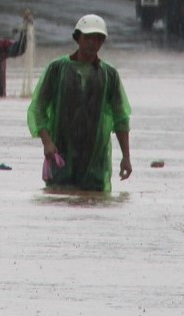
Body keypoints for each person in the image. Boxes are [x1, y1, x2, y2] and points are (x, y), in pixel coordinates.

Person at [26, 14, 132, 192]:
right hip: (61, 152)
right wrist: (47, 142)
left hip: (96, 159)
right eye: (88, 38)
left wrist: (126, 157)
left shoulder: (109, 75)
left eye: (98, 39)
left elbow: (121, 118)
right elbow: (38, 109)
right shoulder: (57, 69)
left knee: (94, 200)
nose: (93, 43)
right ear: (78, 38)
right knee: (60, 197)